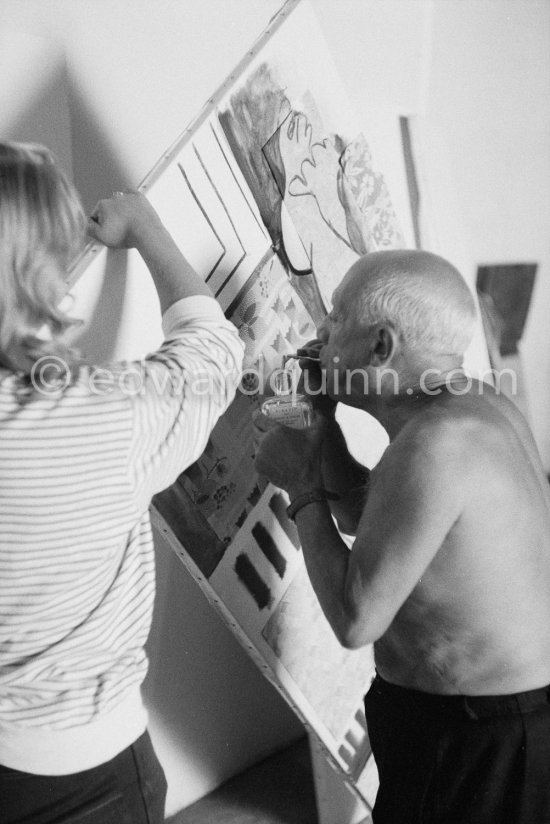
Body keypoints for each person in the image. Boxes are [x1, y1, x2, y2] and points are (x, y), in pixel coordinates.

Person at [254, 249, 550, 824]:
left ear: (381, 346)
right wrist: (323, 426)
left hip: (480, 733)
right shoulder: (476, 405)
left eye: (336, 318)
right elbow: (374, 520)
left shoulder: (434, 446)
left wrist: (301, 485)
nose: (321, 329)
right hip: (497, 720)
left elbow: (355, 618)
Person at [0, 141, 244, 823]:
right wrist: (146, 228)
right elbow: (213, 356)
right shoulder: (95, 417)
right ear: (38, 274)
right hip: (80, 768)